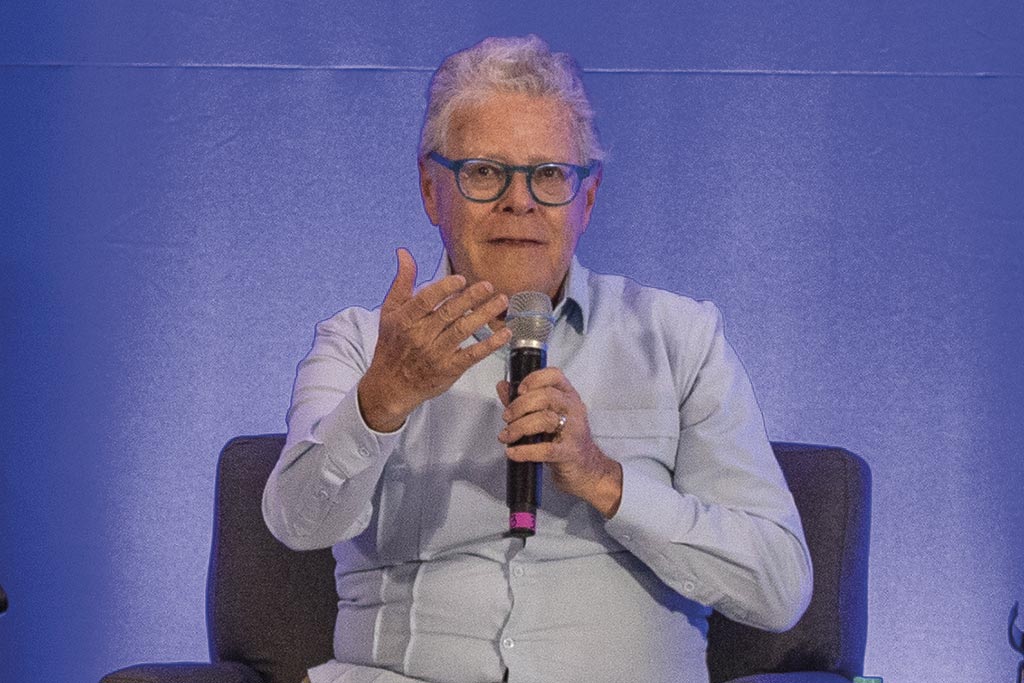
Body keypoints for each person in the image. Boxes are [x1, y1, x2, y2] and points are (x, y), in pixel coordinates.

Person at [263, 35, 812, 683]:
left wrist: (606, 481)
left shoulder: (680, 338)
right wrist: (381, 402)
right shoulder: (361, 344)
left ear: (588, 199)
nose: (518, 200)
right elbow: (297, 523)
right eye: (484, 172)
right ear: (431, 189)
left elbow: (778, 587)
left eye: (548, 174)